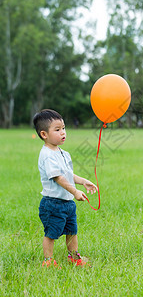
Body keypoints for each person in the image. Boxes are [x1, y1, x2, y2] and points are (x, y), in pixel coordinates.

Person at [33, 109, 97, 267]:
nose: (63, 132)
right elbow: (58, 177)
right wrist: (75, 191)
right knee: (51, 233)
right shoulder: (47, 155)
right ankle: (48, 261)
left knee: (72, 231)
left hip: (67, 203)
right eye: (57, 129)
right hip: (53, 203)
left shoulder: (63, 153)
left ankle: (74, 257)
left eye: (63, 128)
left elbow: (68, 175)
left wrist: (83, 181)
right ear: (44, 134)